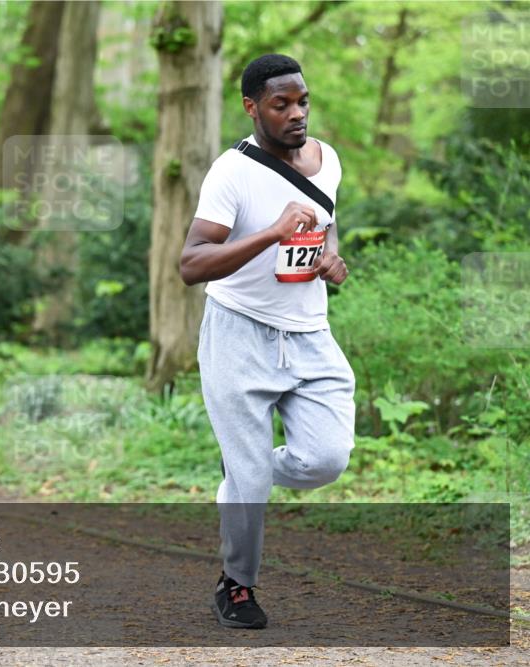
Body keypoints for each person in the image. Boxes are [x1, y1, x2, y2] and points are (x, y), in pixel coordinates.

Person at [179, 54, 354, 629]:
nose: (296, 113)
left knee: (327, 458)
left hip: (308, 334)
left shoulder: (327, 160)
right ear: (252, 107)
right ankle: (236, 586)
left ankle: (243, 473)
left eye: (302, 101)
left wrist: (330, 258)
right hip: (238, 332)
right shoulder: (230, 173)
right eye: (281, 104)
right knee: (251, 479)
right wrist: (270, 233)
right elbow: (191, 263)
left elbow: (323, 228)